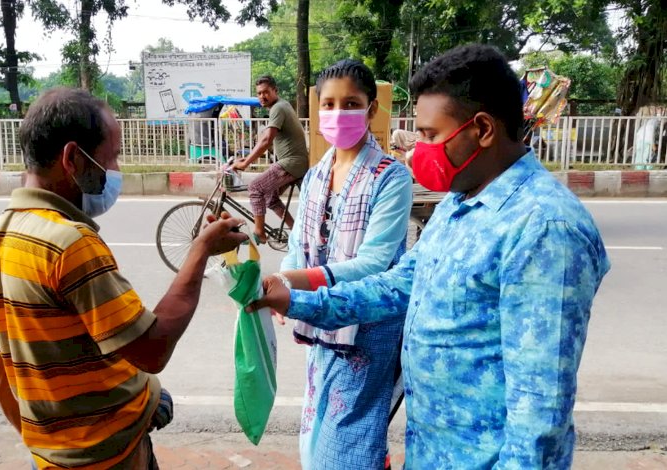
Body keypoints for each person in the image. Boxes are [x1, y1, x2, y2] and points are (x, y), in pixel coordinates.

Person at [248, 44, 611, 469]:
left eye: (430, 134)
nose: (419, 149)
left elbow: (540, 410)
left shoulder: (544, 228)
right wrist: (295, 299)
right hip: (433, 450)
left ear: (483, 129)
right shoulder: (461, 202)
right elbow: (397, 286)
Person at [0, 88, 247, 469]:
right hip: (109, 456)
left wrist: (45, 446)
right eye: (111, 157)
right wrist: (199, 252)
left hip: (48, 456)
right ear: (72, 159)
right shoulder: (69, 244)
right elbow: (152, 349)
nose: (115, 171)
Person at [274, 59, 412, 469]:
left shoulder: (391, 176)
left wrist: (290, 282)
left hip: (369, 332)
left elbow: (373, 263)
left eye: (350, 103)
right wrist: (289, 280)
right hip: (321, 324)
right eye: (329, 103)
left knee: (349, 441)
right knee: (320, 428)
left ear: (371, 110)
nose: (338, 113)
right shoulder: (317, 174)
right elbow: (300, 243)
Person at [232, 75, 309, 244]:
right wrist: (247, 157)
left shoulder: (278, 108)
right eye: (259, 93)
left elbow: (267, 141)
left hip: (291, 163)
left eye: (266, 92)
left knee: (255, 188)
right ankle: (296, 234)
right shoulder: (282, 106)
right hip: (296, 163)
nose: (262, 96)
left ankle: (259, 232)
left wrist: (245, 164)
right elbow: (264, 138)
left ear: (275, 91)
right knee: (271, 198)